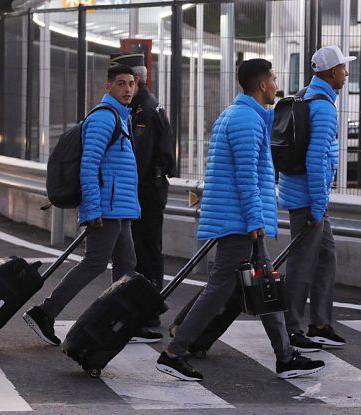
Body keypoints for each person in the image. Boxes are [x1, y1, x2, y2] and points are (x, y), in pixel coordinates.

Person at [156, 59, 324, 381]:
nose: (276, 83)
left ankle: (285, 356)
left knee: (265, 285)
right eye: (273, 78)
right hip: (240, 222)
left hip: (239, 219)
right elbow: (246, 177)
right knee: (221, 290)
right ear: (262, 85)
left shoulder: (240, 115)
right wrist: (255, 221)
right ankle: (173, 353)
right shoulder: (247, 120)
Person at [23, 65, 140, 346]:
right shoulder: (104, 118)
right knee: (95, 263)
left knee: (126, 267)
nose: (127, 89)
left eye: (131, 84)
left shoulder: (121, 117)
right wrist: (92, 209)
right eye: (121, 83)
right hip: (106, 207)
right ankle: (45, 313)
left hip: (119, 208)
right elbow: (89, 164)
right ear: (107, 87)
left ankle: (119, 322)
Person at [279, 45, 353, 350]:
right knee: (302, 264)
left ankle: (320, 323)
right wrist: (319, 206)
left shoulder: (305, 94)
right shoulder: (322, 107)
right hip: (309, 200)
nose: (346, 74)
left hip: (303, 194)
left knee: (325, 257)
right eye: (343, 69)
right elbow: (316, 159)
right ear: (331, 71)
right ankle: (292, 329)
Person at [109, 53, 176, 341]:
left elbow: (140, 158)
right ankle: (146, 306)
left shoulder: (143, 111)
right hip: (151, 188)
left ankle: (148, 310)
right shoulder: (146, 105)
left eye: (126, 81)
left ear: (135, 81)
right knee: (146, 249)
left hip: (147, 190)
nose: (123, 87)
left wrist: (125, 192)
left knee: (145, 251)